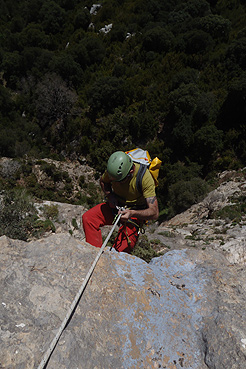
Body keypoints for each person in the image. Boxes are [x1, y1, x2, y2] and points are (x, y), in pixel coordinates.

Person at [82, 151, 159, 253]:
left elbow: (154, 212)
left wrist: (132, 213)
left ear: (131, 171)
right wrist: (110, 195)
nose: (116, 183)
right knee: (88, 219)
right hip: (116, 206)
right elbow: (103, 181)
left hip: (134, 213)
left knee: (121, 251)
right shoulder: (114, 172)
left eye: (120, 181)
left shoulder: (144, 178)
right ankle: (94, 254)